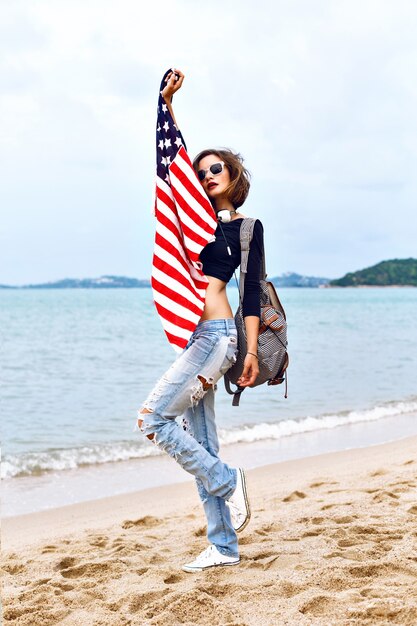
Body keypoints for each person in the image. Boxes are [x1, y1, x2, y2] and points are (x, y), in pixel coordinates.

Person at [137, 69, 264, 573]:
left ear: (234, 178)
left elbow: (249, 294)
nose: (208, 175)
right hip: (196, 337)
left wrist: (251, 352)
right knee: (203, 441)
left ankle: (229, 481)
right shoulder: (193, 220)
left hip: (217, 337)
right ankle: (224, 546)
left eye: (218, 170)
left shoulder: (246, 229)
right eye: (203, 170)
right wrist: (165, 105)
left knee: (152, 419)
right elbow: (171, 168)